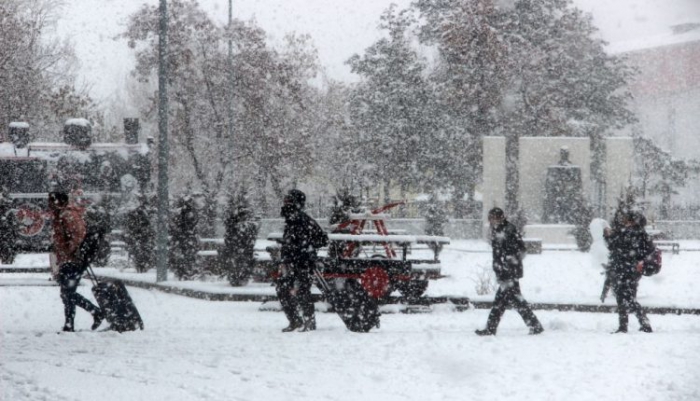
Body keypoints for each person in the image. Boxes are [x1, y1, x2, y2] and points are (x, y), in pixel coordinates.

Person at [475, 207, 544, 336]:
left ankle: (491, 329)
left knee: (504, 302)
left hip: (509, 272)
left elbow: (519, 249)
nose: (490, 221)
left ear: (500, 218)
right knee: (508, 301)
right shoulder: (499, 229)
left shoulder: (508, 229)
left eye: (492, 218)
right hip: (506, 272)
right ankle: (534, 325)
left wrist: (506, 264)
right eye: (490, 218)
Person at [49, 191, 103, 332]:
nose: (49, 204)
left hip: (73, 260)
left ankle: (88, 315)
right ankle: (87, 316)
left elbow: (78, 234)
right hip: (67, 259)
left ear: (59, 201)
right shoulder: (61, 215)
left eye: (52, 201)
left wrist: (72, 250)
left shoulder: (68, 215)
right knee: (67, 292)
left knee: (67, 293)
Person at [276, 189, 328, 332]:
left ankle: (308, 322)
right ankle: (295, 321)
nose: (285, 202)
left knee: (302, 291)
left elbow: (322, 239)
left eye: (288, 200)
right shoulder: (291, 219)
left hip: (302, 262)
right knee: (283, 290)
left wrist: (304, 248)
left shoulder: (303, 219)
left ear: (295, 202)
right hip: (289, 262)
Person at [604, 210, 653, 333]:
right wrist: (637, 260)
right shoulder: (642, 234)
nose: (624, 220)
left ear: (631, 220)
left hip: (623, 269)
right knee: (629, 297)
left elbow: (612, 245)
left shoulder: (626, 232)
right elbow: (648, 250)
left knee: (623, 298)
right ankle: (641, 323)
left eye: (626, 218)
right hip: (633, 271)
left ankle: (626, 326)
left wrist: (607, 235)